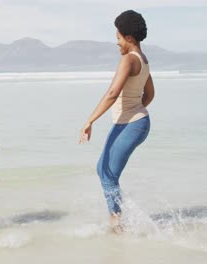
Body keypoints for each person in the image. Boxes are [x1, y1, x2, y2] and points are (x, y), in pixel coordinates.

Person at [79, 10, 155, 232]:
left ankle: (117, 224)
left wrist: (89, 121)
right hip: (136, 122)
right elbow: (149, 94)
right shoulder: (144, 60)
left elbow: (113, 93)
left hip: (132, 124)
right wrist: (136, 110)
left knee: (108, 173)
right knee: (103, 170)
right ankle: (119, 219)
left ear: (129, 38)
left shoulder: (129, 59)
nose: (117, 43)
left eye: (119, 38)